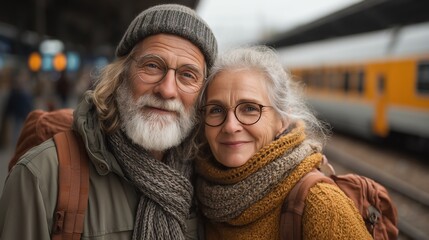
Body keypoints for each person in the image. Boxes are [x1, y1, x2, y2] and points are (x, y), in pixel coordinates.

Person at [0, 4, 217, 239]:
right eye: (152, 66)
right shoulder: (42, 175)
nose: (166, 90)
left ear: (203, 94)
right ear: (120, 74)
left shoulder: (209, 183)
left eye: (187, 75)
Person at [192, 46, 372, 239]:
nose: (230, 126)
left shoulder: (322, 204)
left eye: (250, 108)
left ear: (282, 120)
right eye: (216, 110)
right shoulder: (195, 191)